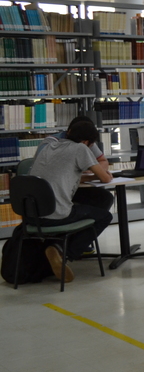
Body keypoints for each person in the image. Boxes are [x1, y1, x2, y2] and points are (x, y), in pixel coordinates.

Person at [28, 120, 113, 283]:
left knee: (82, 205)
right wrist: (105, 175)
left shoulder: (51, 145)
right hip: (55, 214)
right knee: (104, 216)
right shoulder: (80, 148)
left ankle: (57, 247)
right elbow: (105, 177)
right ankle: (62, 252)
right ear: (87, 142)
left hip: (31, 215)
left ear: (69, 133)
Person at [34, 115, 114, 212]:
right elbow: (105, 179)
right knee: (104, 213)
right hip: (55, 203)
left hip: (37, 204)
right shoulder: (80, 147)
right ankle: (81, 225)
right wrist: (100, 174)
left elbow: (60, 176)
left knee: (102, 197)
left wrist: (93, 175)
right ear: (86, 142)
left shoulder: (55, 145)